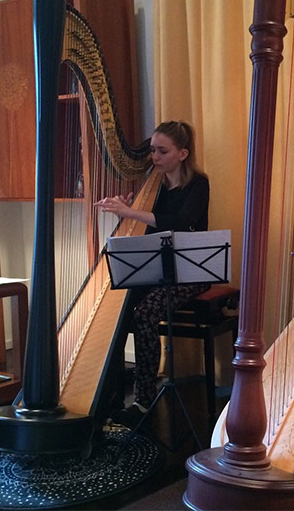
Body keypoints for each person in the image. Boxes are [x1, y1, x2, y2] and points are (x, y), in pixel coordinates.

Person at [95, 120, 210, 426]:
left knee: (145, 312)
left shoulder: (198, 184)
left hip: (191, 271)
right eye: (152, 150)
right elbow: (148, 227)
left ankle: (144, 399)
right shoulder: (154, 185)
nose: (155, 157)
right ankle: (112, 397)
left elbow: (182, 222)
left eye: (162, 151)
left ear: (182, 153)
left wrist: (130, 212)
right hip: (158, 269)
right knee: (118, 312)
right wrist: (127, 207)